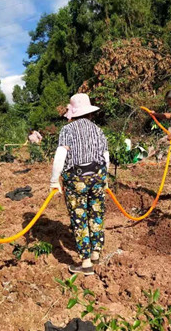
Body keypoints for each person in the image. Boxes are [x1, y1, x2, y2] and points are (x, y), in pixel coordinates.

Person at [50, 93, 109, 276]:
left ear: (73, 113)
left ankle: (85, 263)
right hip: (98, 175)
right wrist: (105, 179)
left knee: (80, 217)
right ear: (89, 113)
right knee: (96, 212)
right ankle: (96, 252)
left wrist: (54, 180)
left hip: (77, 178)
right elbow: (105, 156)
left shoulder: (67, 130)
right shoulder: (98, 130)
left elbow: (61, 155)